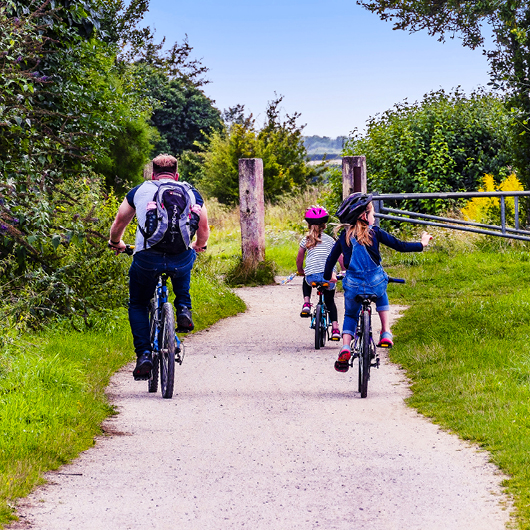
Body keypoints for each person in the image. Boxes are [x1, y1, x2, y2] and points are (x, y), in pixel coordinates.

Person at [108, 154, 210, 381]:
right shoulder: (191, 192)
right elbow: (203, 228)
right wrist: (198, 246)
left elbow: (119, 223)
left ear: (152, 174)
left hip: (147, 258)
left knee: (137, 303)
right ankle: (183, 308)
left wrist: (116, 243)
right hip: (180, 257)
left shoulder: (139, 191)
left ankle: (144, 354)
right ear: (176, 174)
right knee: (186, 260)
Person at [323, 193, 432, 373]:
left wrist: (329, 277)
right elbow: (401, 246)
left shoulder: (344, 237)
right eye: (372, 213)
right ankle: (386, 332)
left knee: (350, 315)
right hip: (375, 284)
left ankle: (345, 347)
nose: (374, 217)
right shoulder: (376, 232)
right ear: (365, 217)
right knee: (382, 293)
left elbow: (330, 261)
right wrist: (422, 244)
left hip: (353, 286)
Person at [296, 206, 342, 341]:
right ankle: (335, 329)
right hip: (328, 277)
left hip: (312, 277)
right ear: (324, 225)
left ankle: (306, 303)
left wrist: (300, 270)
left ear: (309, 224)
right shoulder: (331, 240)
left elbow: (299, 257)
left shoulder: (306, 240)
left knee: (306, 279)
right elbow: (340, 258)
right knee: (330, 301)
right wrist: (344, 270)